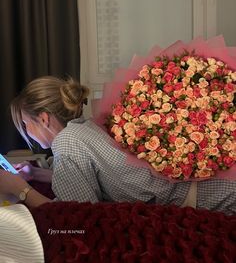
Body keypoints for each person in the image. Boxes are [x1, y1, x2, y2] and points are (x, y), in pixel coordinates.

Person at [0, 76, 235, 215]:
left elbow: (74, 216)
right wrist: (37, 174)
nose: (26, 132)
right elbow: (88, 177)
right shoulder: (82, 127)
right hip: (209, 188)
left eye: (25, 123)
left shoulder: (67, 142)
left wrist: (21, 189)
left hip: (211, 197)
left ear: (43, 118)